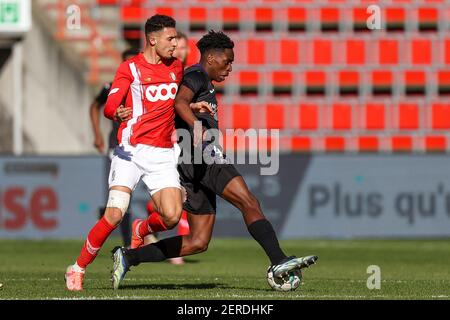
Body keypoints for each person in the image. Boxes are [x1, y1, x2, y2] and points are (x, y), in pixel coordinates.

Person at [111, 30, 318, 290]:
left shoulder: (201, 79)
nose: (230, 67)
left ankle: (129, 256)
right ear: (210, 57)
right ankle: (278, 260)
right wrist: (196, 125)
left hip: (190, 163)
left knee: (198, 241)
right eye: (227, 61)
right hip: (203, 156)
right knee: (249, 201)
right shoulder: (196, 75)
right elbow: (179, 102)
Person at [65, 14, 185, 291]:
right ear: (152, 40)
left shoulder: (176, 68)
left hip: (163, 153)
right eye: (171, 38)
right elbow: (108, 106)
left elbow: (187, 95)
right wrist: (116, 112)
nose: (175, 43)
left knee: (171, 217)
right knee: (115, 214)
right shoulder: (130, 69)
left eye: (176, 38)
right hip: (130, 152)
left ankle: (141, 229)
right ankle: (78, 268)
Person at [135, 31, 192, 265]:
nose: (181, 51)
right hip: (167, 143)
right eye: (177, 46)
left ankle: (147, 227)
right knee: (181, 194)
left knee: (180, 195)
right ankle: (174, 247)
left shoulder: (188, 75)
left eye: (185, 47)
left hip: (185, 140)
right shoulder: (166, 75)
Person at [89, 48, 140, 248]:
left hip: (145, 147)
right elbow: (95, 106)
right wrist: (97, 135)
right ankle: (128, 244)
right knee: (122, 198)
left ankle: (106, 218)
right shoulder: (112, 87)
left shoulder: (144, 87)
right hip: (119, 147)